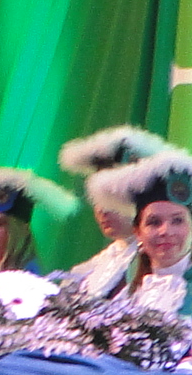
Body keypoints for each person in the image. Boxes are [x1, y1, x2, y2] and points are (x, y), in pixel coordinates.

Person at [103, 146, 192, 318]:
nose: (165, 231)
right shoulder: (128, 293)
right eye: (154, 222)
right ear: (138, 232)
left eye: (177, 221)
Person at [58, 124, 166, 296]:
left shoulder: (159, 261)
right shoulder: (97, 265)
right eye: (98, 200)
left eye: (112, 200)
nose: (102, 211)